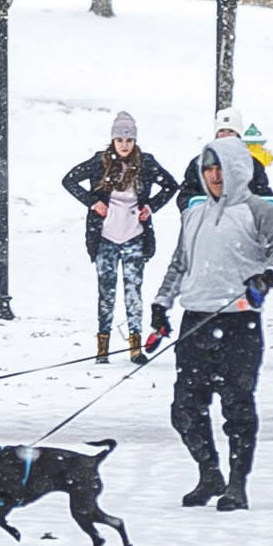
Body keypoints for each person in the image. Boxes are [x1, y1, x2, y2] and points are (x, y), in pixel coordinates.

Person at [149, 136, 273, 512]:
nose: (214, 175)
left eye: (220, 168)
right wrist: (161, 304)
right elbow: (180, 263)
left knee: (237, 407)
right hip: (195, 322)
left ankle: (237, 485)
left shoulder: (259, 210)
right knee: (184, 408)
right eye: (208, 168)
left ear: (237, 169)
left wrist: (267, 277)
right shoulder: (193, 213)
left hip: (238, 323)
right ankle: (208, 473)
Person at [60, 112, 180, 365]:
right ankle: (102, 348)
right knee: (106, 293)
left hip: (134, 237)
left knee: (133, 292)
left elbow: (170, 185)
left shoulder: (146, 163)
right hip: (105, 237)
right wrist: (93, 203)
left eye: (128, 140)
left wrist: (151, 207)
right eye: (119, 140)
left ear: (134, 141)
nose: (124, 145)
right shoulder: (99, 162)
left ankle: (135, 348)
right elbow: (69, 180)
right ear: (113, 141)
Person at [175, 106, 273, 211]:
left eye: (231, 131)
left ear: (238, 135)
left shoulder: (252, 164)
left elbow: (264, 195)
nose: (225, 135)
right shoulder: (200, 162)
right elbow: (185, 195)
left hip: (242, 223)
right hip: (207, 222)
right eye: (221, 130)